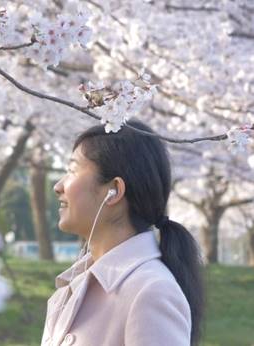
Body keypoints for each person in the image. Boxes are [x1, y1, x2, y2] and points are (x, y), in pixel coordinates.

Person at [41, 120, 204, 346]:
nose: (58, 186)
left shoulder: (151, 292)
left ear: (114, 191)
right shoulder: (76, 284)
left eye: (72, 170)